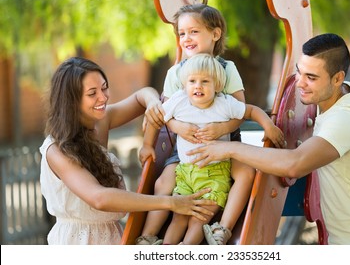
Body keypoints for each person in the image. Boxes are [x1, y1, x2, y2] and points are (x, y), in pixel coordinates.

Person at [187, 33, 350, 245]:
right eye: (300, 73)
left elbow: (294, 165)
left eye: (311, 78)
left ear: (338, 78)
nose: (300, 83)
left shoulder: (346, 119)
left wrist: (230, 149)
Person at [137, 4, 285, 245]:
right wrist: (177, 129)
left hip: (225, 147)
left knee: (246, 173)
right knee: (163, 181)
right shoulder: (175, 73)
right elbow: (164, 115)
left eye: (194, 31)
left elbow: (241, 111)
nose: (186, 38)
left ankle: (222, 230)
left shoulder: (226, 70)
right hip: (185, 149)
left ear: (215, 34)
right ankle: (147, 236)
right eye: (182, 33)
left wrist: (222, 129)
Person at [39, 57, 217, 245]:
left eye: (104, 87)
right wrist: (170, 202)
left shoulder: (100, 122)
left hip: (112, 237)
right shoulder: (56, 149)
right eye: (92, 93)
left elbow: (143, 95)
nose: (103, 97)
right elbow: (99, 198)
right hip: (76, 242)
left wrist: (152, 104)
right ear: (71, 101)